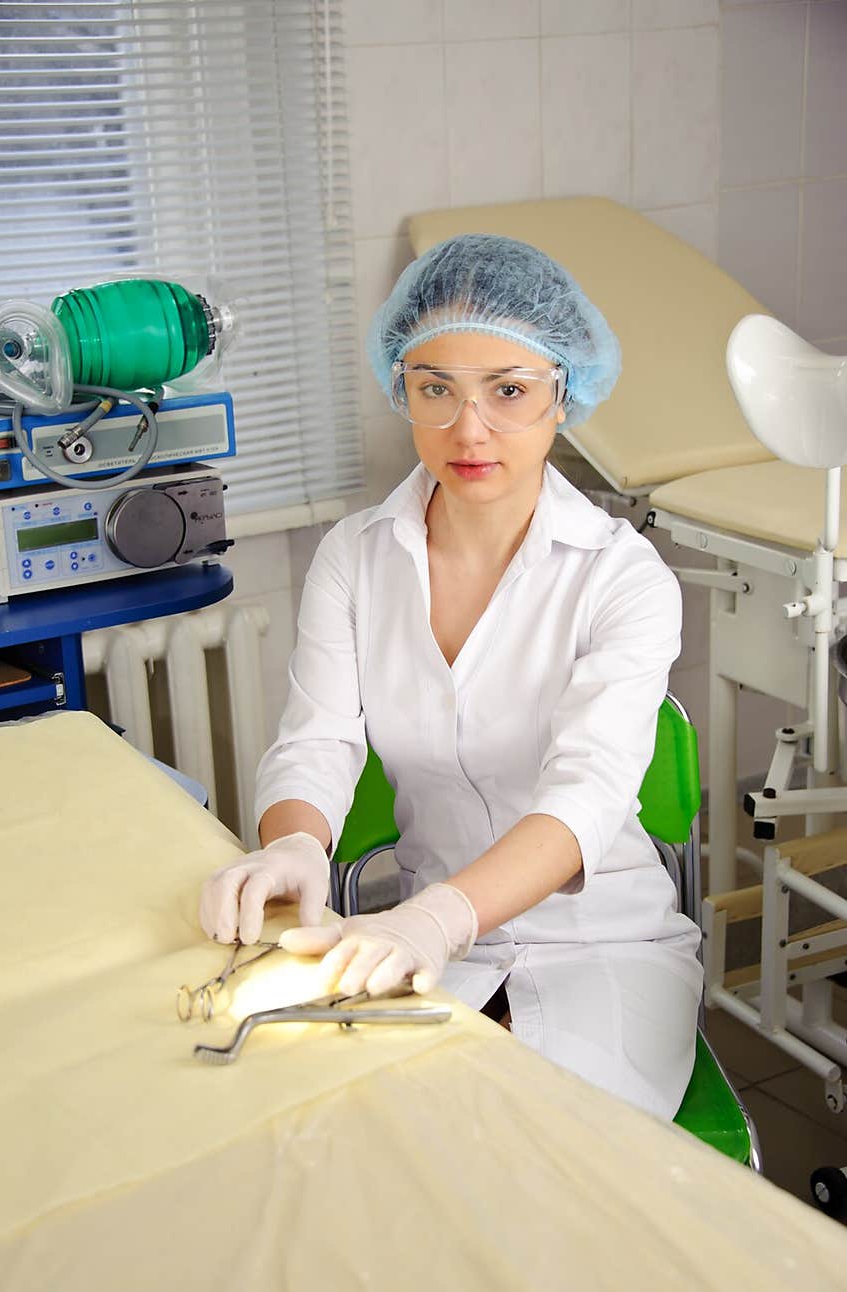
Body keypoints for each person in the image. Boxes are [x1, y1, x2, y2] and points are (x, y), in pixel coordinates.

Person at [199, 233, 703, 1120]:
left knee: (558, 1154)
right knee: (378, 1145)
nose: (469, 431)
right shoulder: (354, 560)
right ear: (403, 387)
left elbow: (583, 800)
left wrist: (438, 916)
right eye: (437, 390)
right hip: (413, 935)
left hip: (600, 943)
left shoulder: (622, 579)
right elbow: (317, 741)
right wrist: (295, 845)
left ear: (563, 394)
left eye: (508, 391)